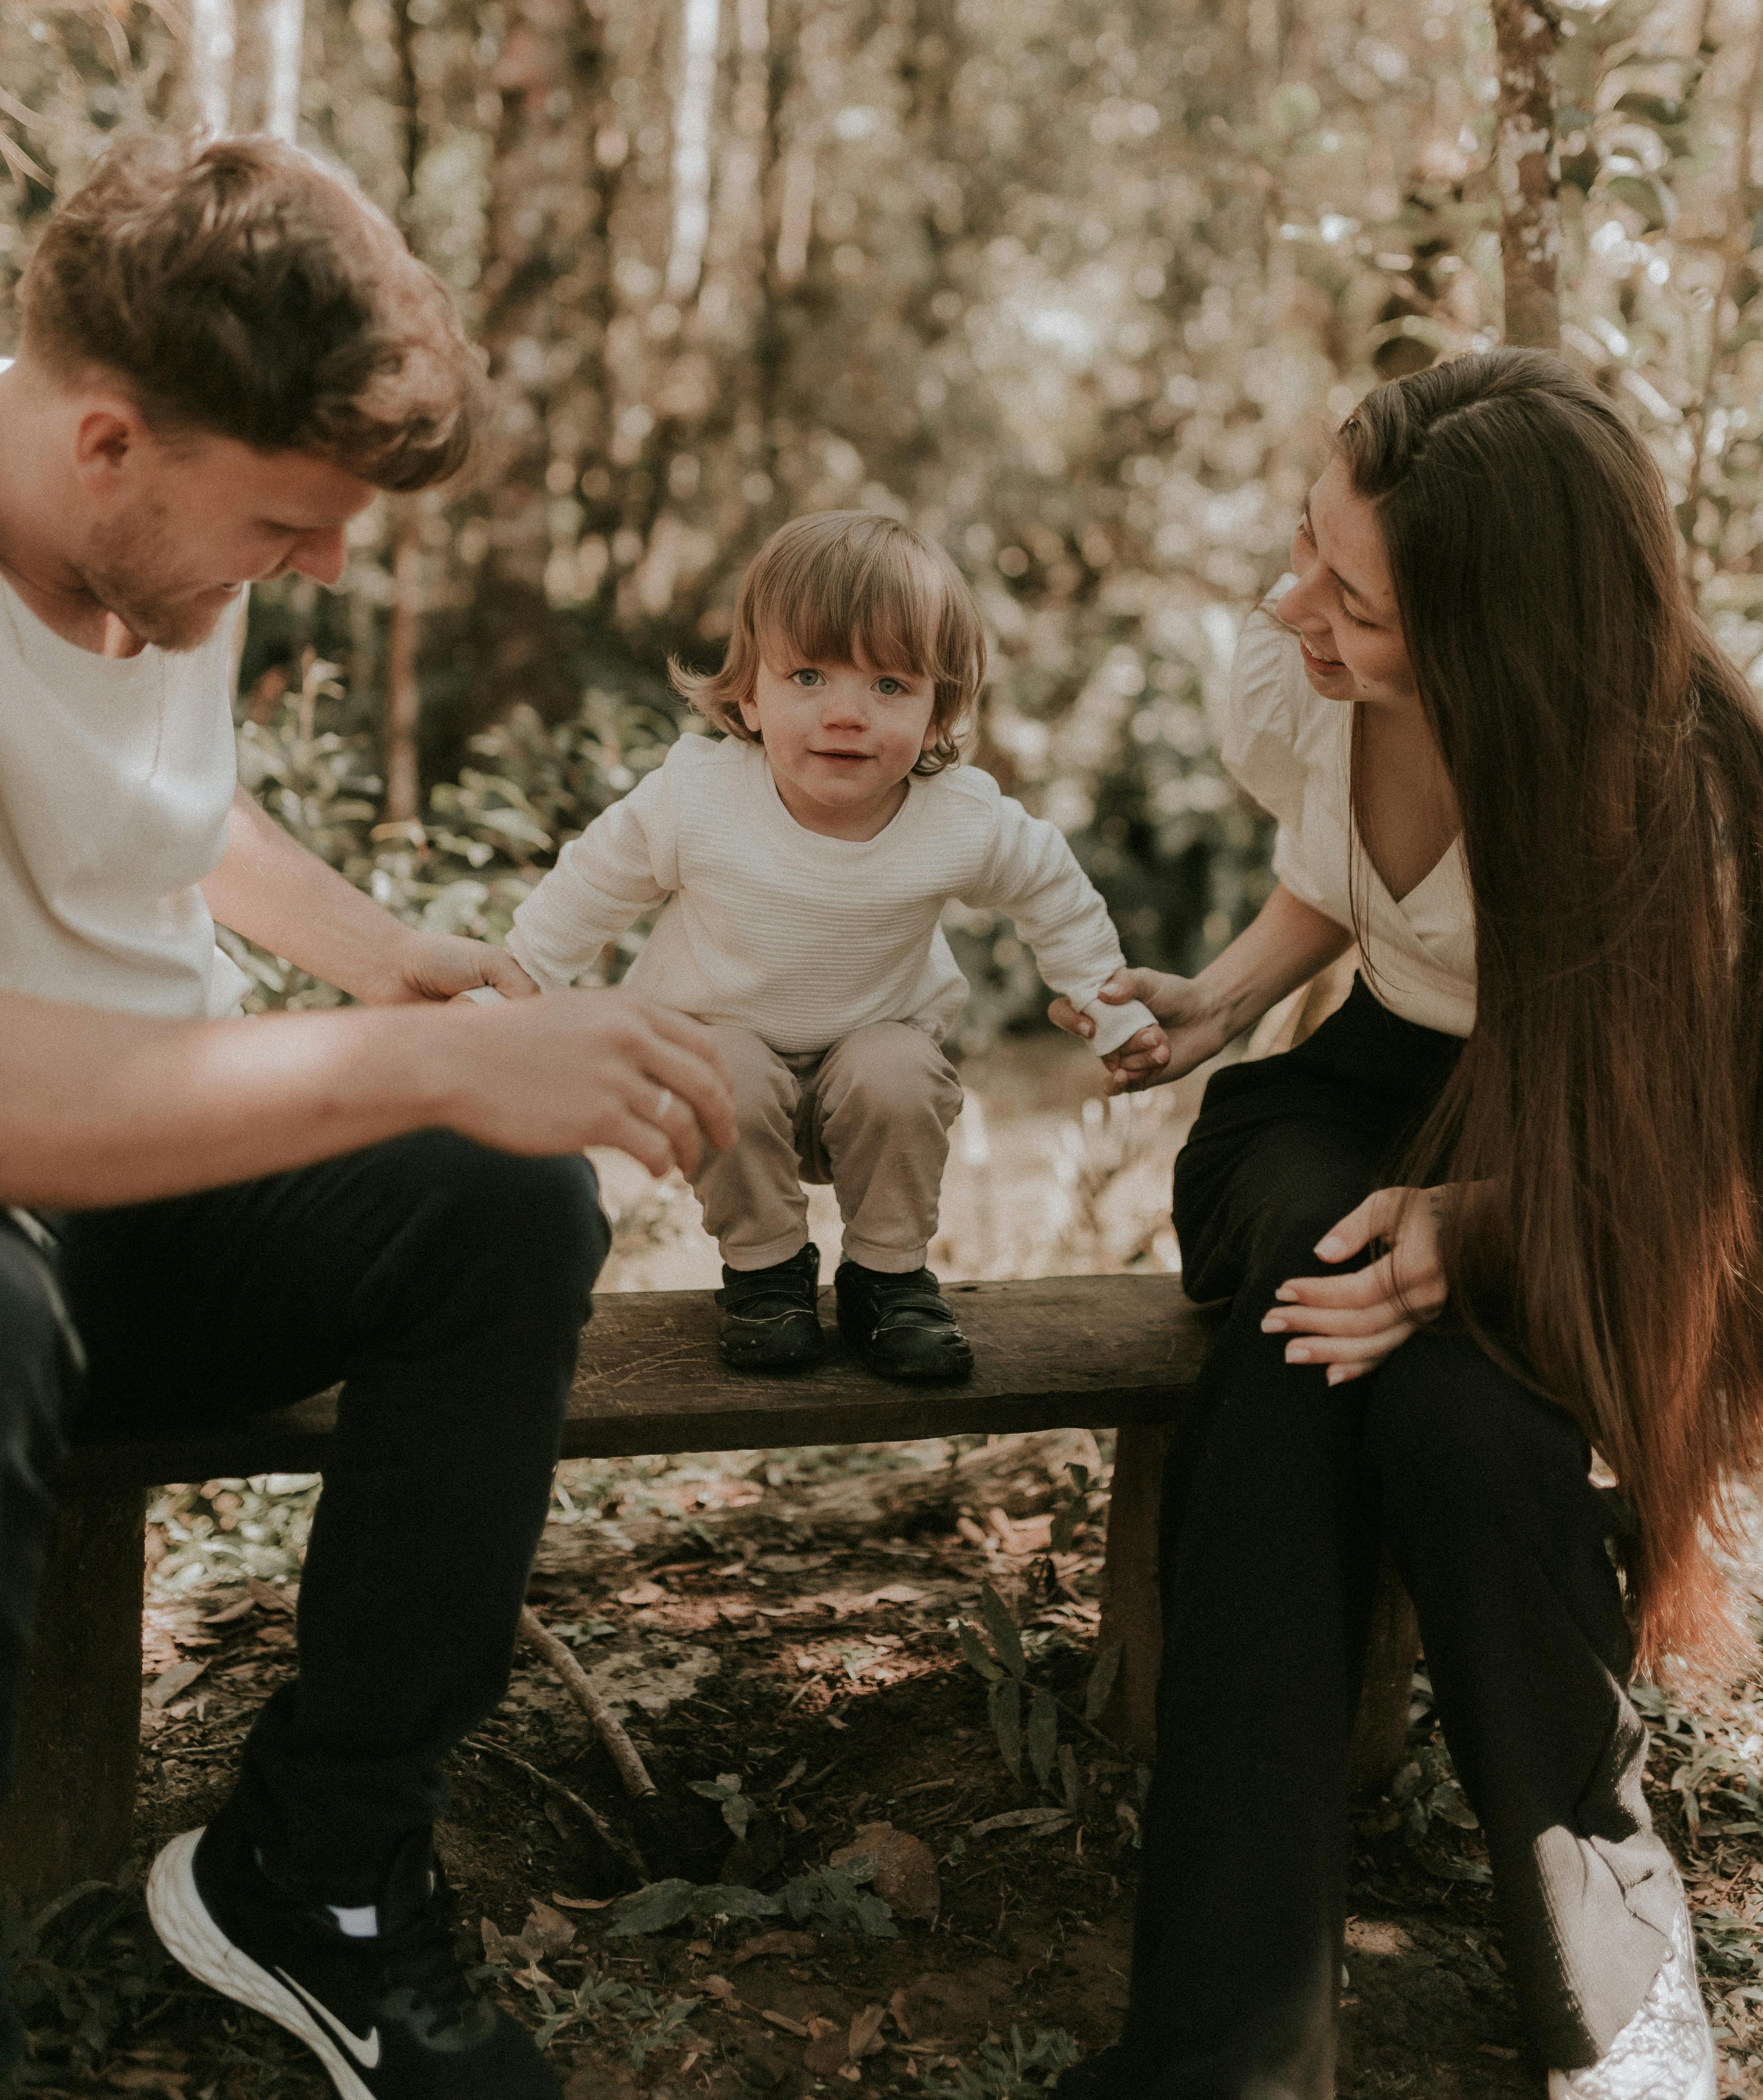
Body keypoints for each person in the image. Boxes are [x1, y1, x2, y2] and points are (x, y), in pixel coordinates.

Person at [0, 134, 737, 2100]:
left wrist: (381, 951)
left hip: (173, 1187)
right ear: (107, 442)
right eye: (284, 526)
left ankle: (313, 1865)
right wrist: (408, 1062)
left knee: (508, 1205)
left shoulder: (149, 532)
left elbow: (169, 805)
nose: (321, 567)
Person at [1049, 349, 1755, 2100]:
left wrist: (1485, 1231)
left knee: (1449, 1420)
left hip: (1594, 1174)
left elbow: (1707, 1176)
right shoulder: (1304, 679)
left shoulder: (1688, 805)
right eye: (1306, 548)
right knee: (1318, 1273)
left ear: (1502, 641)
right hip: (1336, 1109)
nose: (1292, 603)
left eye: (1348, 596)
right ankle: (1232, 2050)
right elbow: (1334, 877)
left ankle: (1609, 2026)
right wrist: (1219, 1006)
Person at [499, 510, 1161, 1381]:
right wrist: (506, 994)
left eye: (889, 686)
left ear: (937, 716)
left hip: (871, 1069)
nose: (845, 714)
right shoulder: (697, 798)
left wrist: (1111, 1009)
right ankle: (766, 1277)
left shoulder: (957, 817)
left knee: (897, 1070)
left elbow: (1052, 891)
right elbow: (588, 891)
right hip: (721, 1065)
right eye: (808, 676)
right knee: (721, 1068)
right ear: (748, 695)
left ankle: (888, 1282)